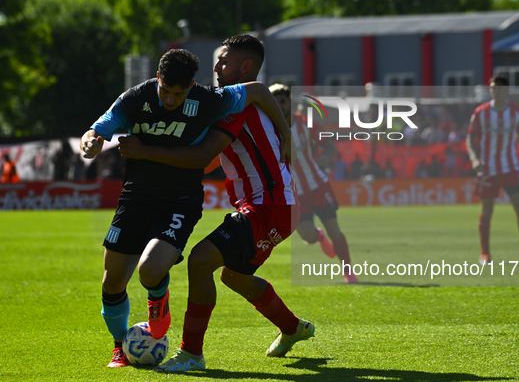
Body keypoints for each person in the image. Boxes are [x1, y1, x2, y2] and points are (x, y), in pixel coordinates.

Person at [79, 48, 291, 368]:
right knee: (112, 282)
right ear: (158, 79)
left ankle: (158, 310)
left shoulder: (208, 99)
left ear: (191, 86)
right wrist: (91, 141)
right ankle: (120, 348)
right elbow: (100, 127)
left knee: (150, 269)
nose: (170, 101)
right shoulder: (136, 98)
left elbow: (259, 90)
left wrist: (286, 134)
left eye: (178, 95)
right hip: (135, 197)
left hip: (180, 199)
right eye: (165, 91)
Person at [269, 83, 358, 283]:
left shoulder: (304, 123)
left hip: (318, 185)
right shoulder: (269, 129)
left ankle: (348, 272)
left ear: (289, 102)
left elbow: (330, 147)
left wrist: (326, 156)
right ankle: (318, 237)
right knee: (307, 235)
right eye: (274, 102)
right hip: (296, 193)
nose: (279, 105)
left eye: (282, 101)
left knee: (334, 229)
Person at [466, 74, 519, 266]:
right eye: (492, 88)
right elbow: (470, 139)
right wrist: (474, 159)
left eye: (499, 88)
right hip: (488, 169)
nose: (495, 92)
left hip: (510, 167)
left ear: (506, 90)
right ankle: (485, 254)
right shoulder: (480, 113)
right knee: (487, 210)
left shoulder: (516, 112)